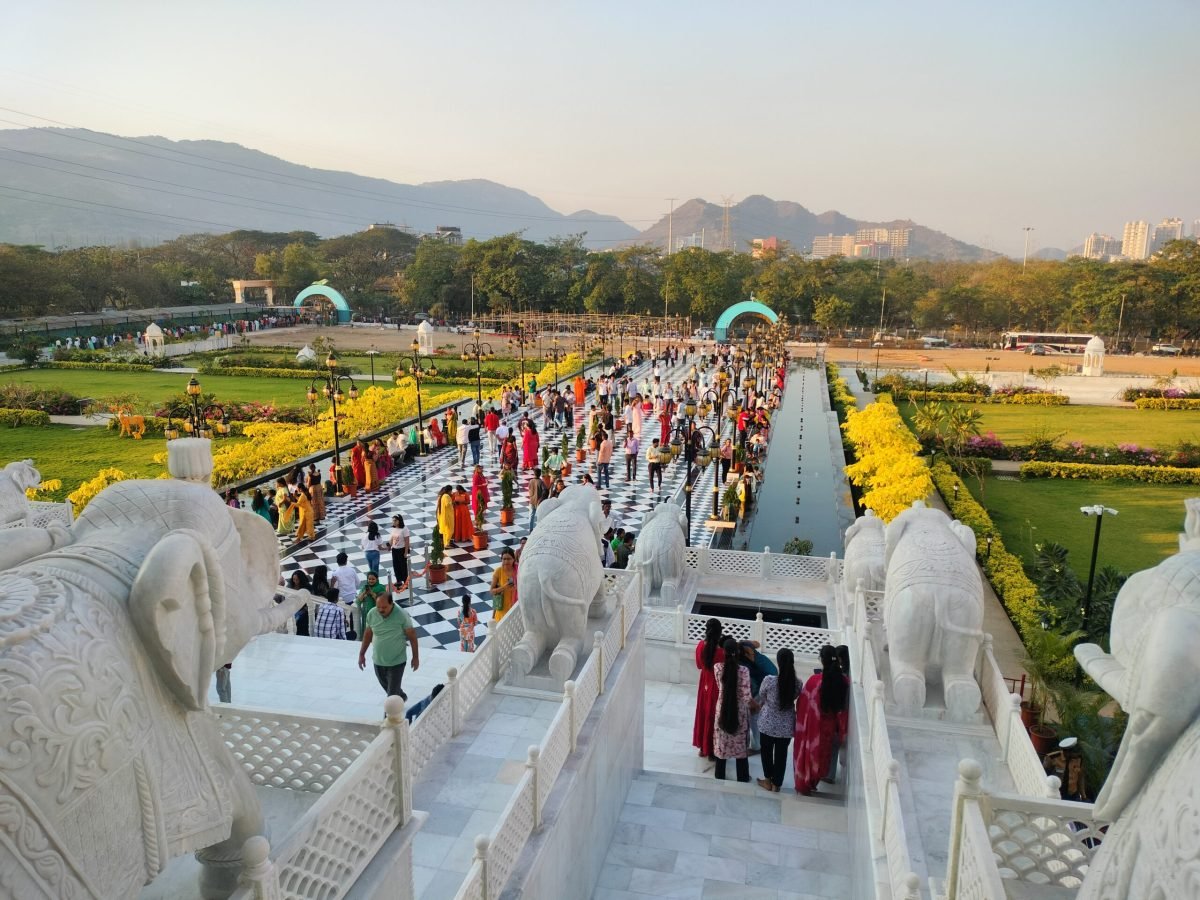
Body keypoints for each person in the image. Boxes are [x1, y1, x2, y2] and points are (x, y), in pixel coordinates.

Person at [793, 645, 849, 795]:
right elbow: (842, 710)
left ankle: (805, 783)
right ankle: (814, 782)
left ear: (822, 660)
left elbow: (802, 703)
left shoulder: (814, 680)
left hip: (812, 727)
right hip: (828, 728)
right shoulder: (844, 681)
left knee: (809, 754)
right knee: (822, 755)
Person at [357, 589, 419, 701]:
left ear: (392, 604)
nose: (381, 610)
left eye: (384, 607)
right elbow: (368, 634)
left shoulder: (401, 615)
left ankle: (392, 710)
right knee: (389, 688)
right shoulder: (372, 614)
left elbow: (412, 636)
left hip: (397, 661)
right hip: (378, 660)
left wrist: (415, 657)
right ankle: (401, 696)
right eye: (378, 607)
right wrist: (362, 654)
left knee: (391, 697)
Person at [754, 648, 798, 792]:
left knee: (766, 753)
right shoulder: (797, 683)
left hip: (767, 724)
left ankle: (767, 780)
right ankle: (777, 784)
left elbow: (762, 696)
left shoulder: (769, 681)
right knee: (781, 755)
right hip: (786, 727)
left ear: (778, 663)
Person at [713, 637, 752, 782]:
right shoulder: (744, 671)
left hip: (722, 709)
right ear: (738, 652)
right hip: (740, 712)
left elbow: (720, 687)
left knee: (722, 741)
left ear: (724, 652)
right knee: (740, 744)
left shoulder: (717, 668)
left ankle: (719, 774)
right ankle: (742, 777)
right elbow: (747, 696)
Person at [692, 618, 724, 759]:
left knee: (704, 713)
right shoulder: (722, 651)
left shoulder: (701, 646)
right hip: (717, 685)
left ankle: (703, 747)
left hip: (705, 683)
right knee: (714, 716)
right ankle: (711, 750)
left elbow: (699, 665)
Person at [738, 640, 778, 753]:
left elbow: (753, 685)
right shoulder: (756, 655)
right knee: (758, 716)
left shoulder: (747, 663)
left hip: (763, 687)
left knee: (753, 717)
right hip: (769, 685)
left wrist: (751, 700)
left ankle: (757, 746)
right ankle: (759, 743)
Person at [489, 547, 517, 622]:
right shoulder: (498, 571)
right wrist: (504, 587)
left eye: (509, 559)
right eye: (504, 559)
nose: (506, 561)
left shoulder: (518, 570)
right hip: (502, 610)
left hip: (515, 608)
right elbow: (491, 591)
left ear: (513, 559)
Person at [389, 514, 410, 585]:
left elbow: (407, 541)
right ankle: (398, 580)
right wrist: (389, 545)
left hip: (402, 549)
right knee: (396, 565)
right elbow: (392, 539)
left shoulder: (404, 529)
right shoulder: (394, 529)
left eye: (395, 521)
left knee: (403, 566)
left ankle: (405, 581)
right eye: (393, 521)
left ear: (399, 521)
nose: (393, 522)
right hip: (394, 550)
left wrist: (406, 552)